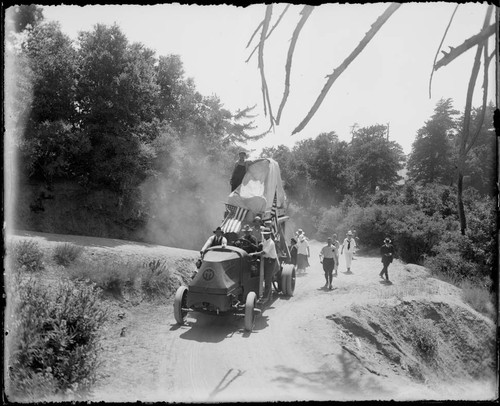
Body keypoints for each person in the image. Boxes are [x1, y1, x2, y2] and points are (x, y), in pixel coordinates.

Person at [250, 227, 278, 302]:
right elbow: (262, 245)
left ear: (269, 234)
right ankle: (263, 293)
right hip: (265, 260)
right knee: (260, 276)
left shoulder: (271, 243)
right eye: (264, 234)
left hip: (270, 261)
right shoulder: (265, 240)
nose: (265, 236)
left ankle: (266, 297)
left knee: (268, 278)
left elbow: (264, 252)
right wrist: (259, 245)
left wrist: (253, 254)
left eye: (266, 234)